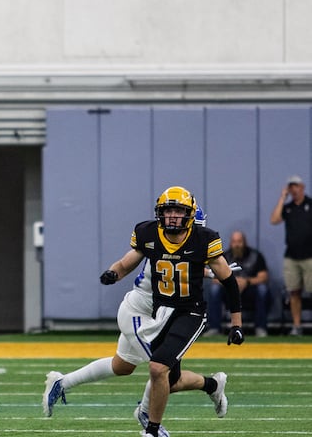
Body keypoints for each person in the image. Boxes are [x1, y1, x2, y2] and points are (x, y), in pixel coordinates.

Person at [43, 205, 235, 437]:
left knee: (122, 366)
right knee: (163, 371)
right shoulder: (162, 242)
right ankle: (147, 415)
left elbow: (187, 264)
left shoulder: (187, 243)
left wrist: (212, 271)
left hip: (160, 315)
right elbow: (168, 263)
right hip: (139, 312)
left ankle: (62, 383)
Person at [96, 186, 245, 437]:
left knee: (157, 368)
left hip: (190, 313)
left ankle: (153, 430)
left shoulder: (203, 239)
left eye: (178, 211)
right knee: (170, 380)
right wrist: (113, 273)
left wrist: (236, 324)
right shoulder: (148, 233)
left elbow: (229, 282)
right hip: (160, 313)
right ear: (160, 212)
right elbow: (126, 262)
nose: (173, 216)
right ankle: (213, 385)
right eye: (168, 210)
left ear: (189, 214)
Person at [206, 230, 270, 337]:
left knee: (262, 289)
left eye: (239, 241)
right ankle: (214, 328)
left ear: (245, 242)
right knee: (214, 289)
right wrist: (231, 282)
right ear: (230, 243)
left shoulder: (255, 256)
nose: (237, 245)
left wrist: (247, 282)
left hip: (249, 291)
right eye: (234, 242)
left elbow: (263, 277)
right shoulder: (224, 257)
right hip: (229, 290)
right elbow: (214, 278)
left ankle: (260, 328)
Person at [270, 175, 312, 336]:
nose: (293, 190)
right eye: (291, 187)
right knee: (294, 292)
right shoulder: (288, 208)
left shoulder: (310, 205)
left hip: (309, 256)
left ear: (302, 187)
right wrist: (282, 198)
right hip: (292, 256)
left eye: (296, 186)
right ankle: (297, 325)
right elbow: (274, 220)